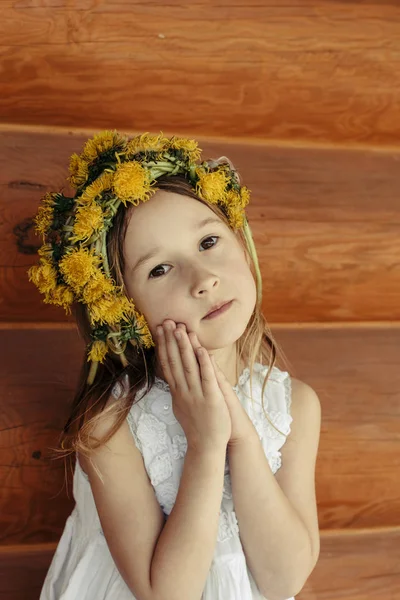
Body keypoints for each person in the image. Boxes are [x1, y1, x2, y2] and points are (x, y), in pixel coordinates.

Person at [28, 130, 321, 600]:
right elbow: (167, 594)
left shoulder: (295, 405)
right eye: (160, 269)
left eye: (208, 242)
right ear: (124, 310)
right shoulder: (110, 425)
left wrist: (241, 437)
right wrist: (206, 447)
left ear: (242, 244)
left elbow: (284, 579)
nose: (203, 279)